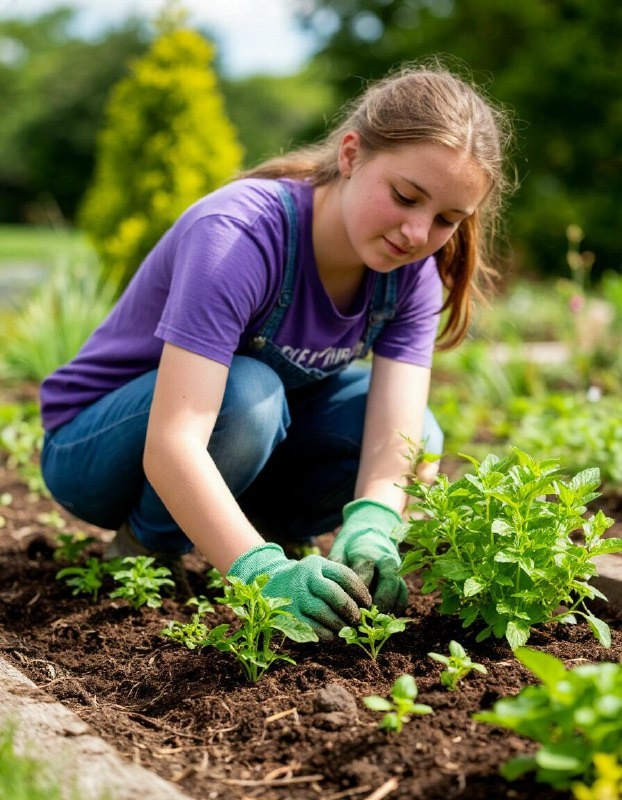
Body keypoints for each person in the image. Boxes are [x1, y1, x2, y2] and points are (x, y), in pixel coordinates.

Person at [39, 60, 513, 641]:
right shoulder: (239, 236)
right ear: (350, 155)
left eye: (446, 218)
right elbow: (173, 442)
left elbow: (398, 436)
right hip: (98, 450)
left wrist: (375, 524)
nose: (418, 233)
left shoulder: (410, 276)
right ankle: (148, 548)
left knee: (422, 438)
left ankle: (255, 529)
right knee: (250, 393)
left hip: (237, 447)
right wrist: (260, 576)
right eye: (405, 196)